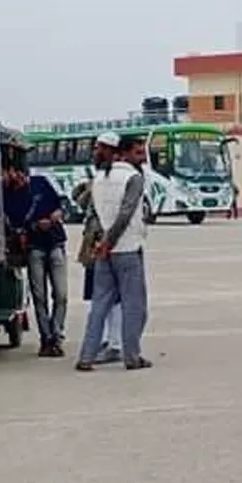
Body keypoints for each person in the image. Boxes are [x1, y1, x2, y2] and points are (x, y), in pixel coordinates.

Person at [76, 134, 152, 371]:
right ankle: (132, 356)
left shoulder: (99, 178)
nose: (144, 158)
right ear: (124, 153)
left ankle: (86, 356)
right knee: (134, 305)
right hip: (127, 248)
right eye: (139, 153)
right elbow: (126, 213)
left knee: (99, 305)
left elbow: (94, 212)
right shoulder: (133, 178)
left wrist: (102, 243)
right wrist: (110, 241)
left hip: (103, 251)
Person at [23, 168, 69, 356]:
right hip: (34, 247)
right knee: (39, 296)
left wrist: (57, 214)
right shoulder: (10, 193)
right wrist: (34, 224)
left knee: (61, 294)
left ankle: (56, 333)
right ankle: (47, 337)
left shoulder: (40, 182)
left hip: (55, 242)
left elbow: (59, 204)